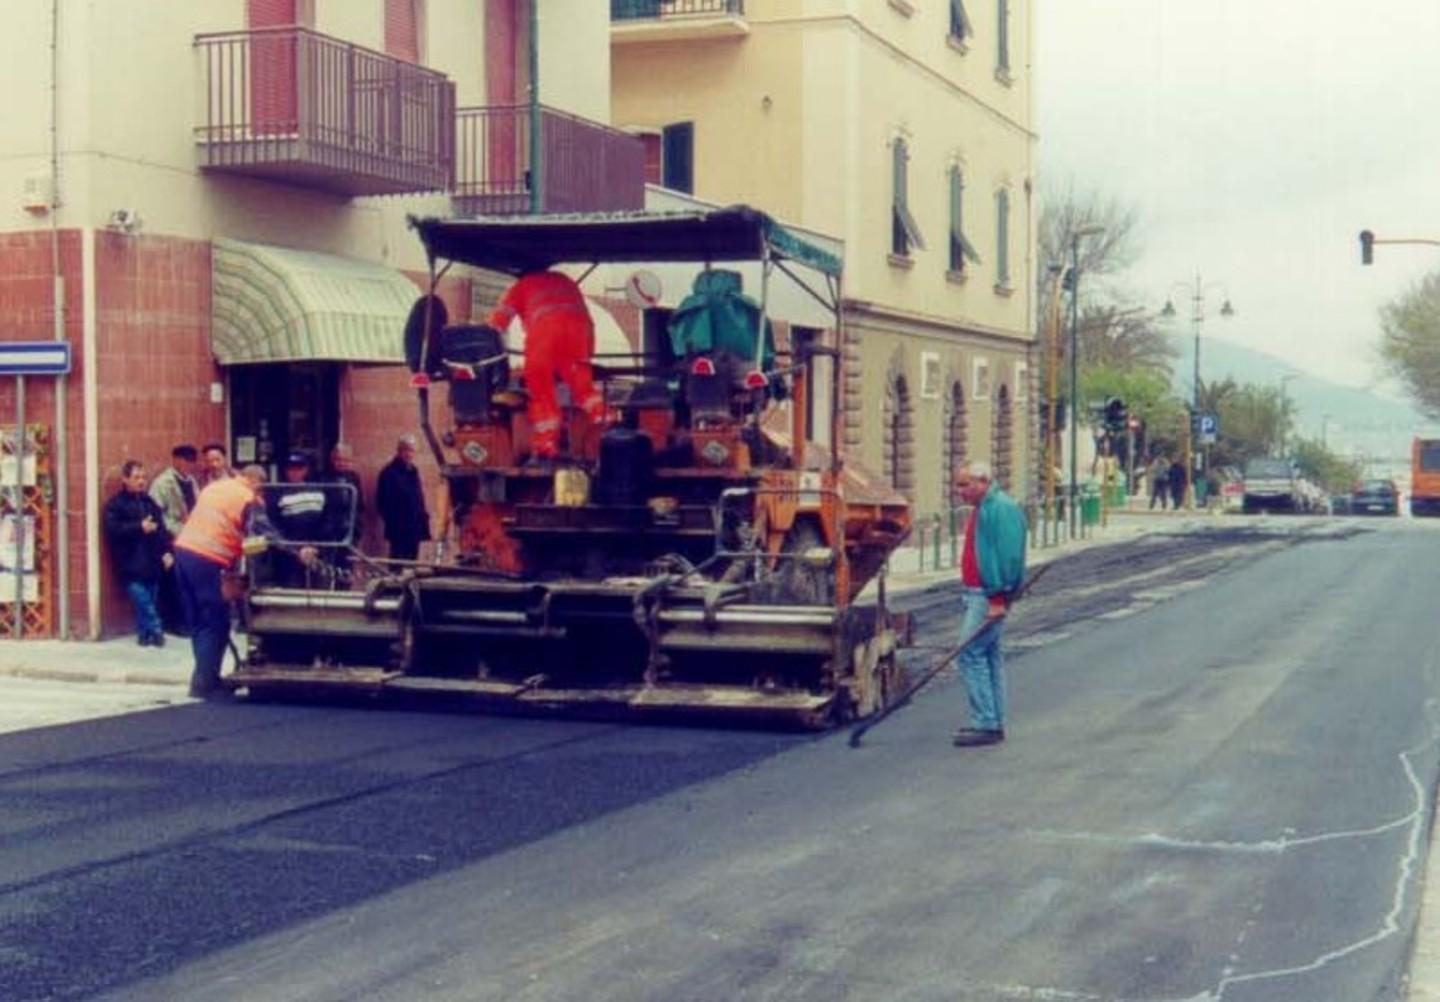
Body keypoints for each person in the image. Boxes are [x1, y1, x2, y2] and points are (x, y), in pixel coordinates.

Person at [173, 463, 272, 699]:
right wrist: (296, 550)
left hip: (183, 553)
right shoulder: (249, 498)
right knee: (215, 622)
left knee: (198, 621)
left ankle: (202, 677)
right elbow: (261, 537)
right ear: (257, 483)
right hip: (209, 559)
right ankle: (205, 685)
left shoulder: (215, 488)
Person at [489, 269, 605, 459]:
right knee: (584, 388)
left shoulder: (522, 286)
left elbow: (497, 324)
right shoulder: (565, 279)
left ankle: (546, 444)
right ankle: (604, 432)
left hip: (545, 333)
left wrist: (482, 338)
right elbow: (587, 321)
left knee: (540, 385)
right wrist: (586, 358)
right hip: (578, 333)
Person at [951, 461, 1027, 747]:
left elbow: (1007, 557)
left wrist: (997, 598)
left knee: (970, 653)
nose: (959, 491)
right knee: (989, 654)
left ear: (982, 482)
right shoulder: (985, 508)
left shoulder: (1000, 509)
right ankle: (993, 720)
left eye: (964, 484)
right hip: (980, 594)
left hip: (987, 596)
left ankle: (986, 722)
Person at [103, 461, 174, 647]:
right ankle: (156, 628)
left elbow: (161, 530)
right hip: (129, 561)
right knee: (143, 600)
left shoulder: (149, 503)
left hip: (151, 560)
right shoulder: (116, 505)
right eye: (136, 477)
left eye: (143, 477)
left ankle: (145, 635)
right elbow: (112, 529)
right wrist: (138, 527)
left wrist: (166, 552)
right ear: (125, 479)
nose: (141, 481)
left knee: (150, 597)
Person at [149, 444, 200, 634]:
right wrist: (168, 535)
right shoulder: (163, 483)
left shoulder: (191, 481)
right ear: (176, 460)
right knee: (174, 582)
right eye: (185, 460)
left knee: (188, 582)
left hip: (190, 538)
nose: (188, 465)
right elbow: (156, 512)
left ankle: (188, 621)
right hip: (171, 538)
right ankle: (175, 623)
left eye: (191, 462)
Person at [265, 452, 329, 587]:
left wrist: (316, 546)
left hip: (316, 550)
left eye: (299, 468)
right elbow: (274, 524)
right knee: (291, 589)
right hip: (289, 553)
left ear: (306, 469)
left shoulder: (318, 490)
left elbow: (326, 520)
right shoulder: (277, 492)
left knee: (319, 590)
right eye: (291, 468)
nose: (295, 472)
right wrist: (295, 549)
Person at [376, 434, 431, 561]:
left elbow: (418, 497)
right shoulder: (389, 473)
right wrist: (393, 521)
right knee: (398, 561)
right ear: (399, 451)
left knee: (413, 562)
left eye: (412, 450)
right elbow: (383, 502)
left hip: (414, 526)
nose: (409, 454)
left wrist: (423, 518)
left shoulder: (413, 471)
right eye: (406, 450)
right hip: (398, 527)